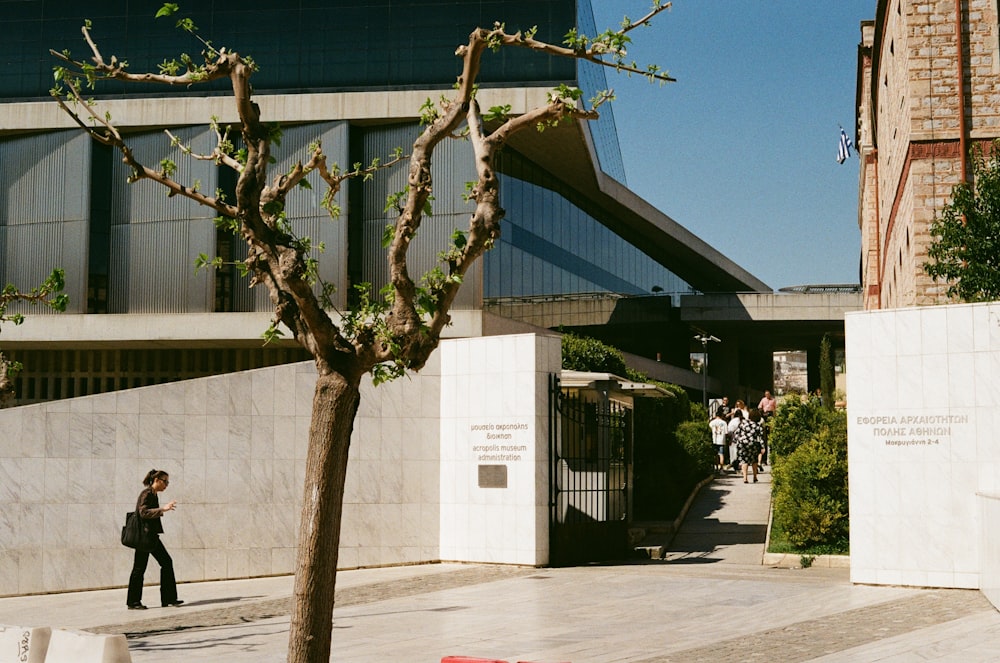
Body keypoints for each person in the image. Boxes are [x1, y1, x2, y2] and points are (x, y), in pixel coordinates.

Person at [126, 469, 183, 610]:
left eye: (168, 482)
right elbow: (143, 512)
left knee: (166, 562)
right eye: (165, 481)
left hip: (150, 537)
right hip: (144, 538)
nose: (167, 485)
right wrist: (163, 509)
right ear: (157, 480)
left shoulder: (153, 494)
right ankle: (133, 602)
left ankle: (169, 599)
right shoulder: (147, 494)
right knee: (140, 568)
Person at [735, 409, 765, 484]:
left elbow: (737, 433)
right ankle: (755, 477)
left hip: (743, 444)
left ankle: (745, 478)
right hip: (753, 444)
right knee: (754, 460)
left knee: (744, 461)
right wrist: (762, 447)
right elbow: (760, 438)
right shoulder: (758, 426)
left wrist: (738, 441)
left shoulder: (743, 423)